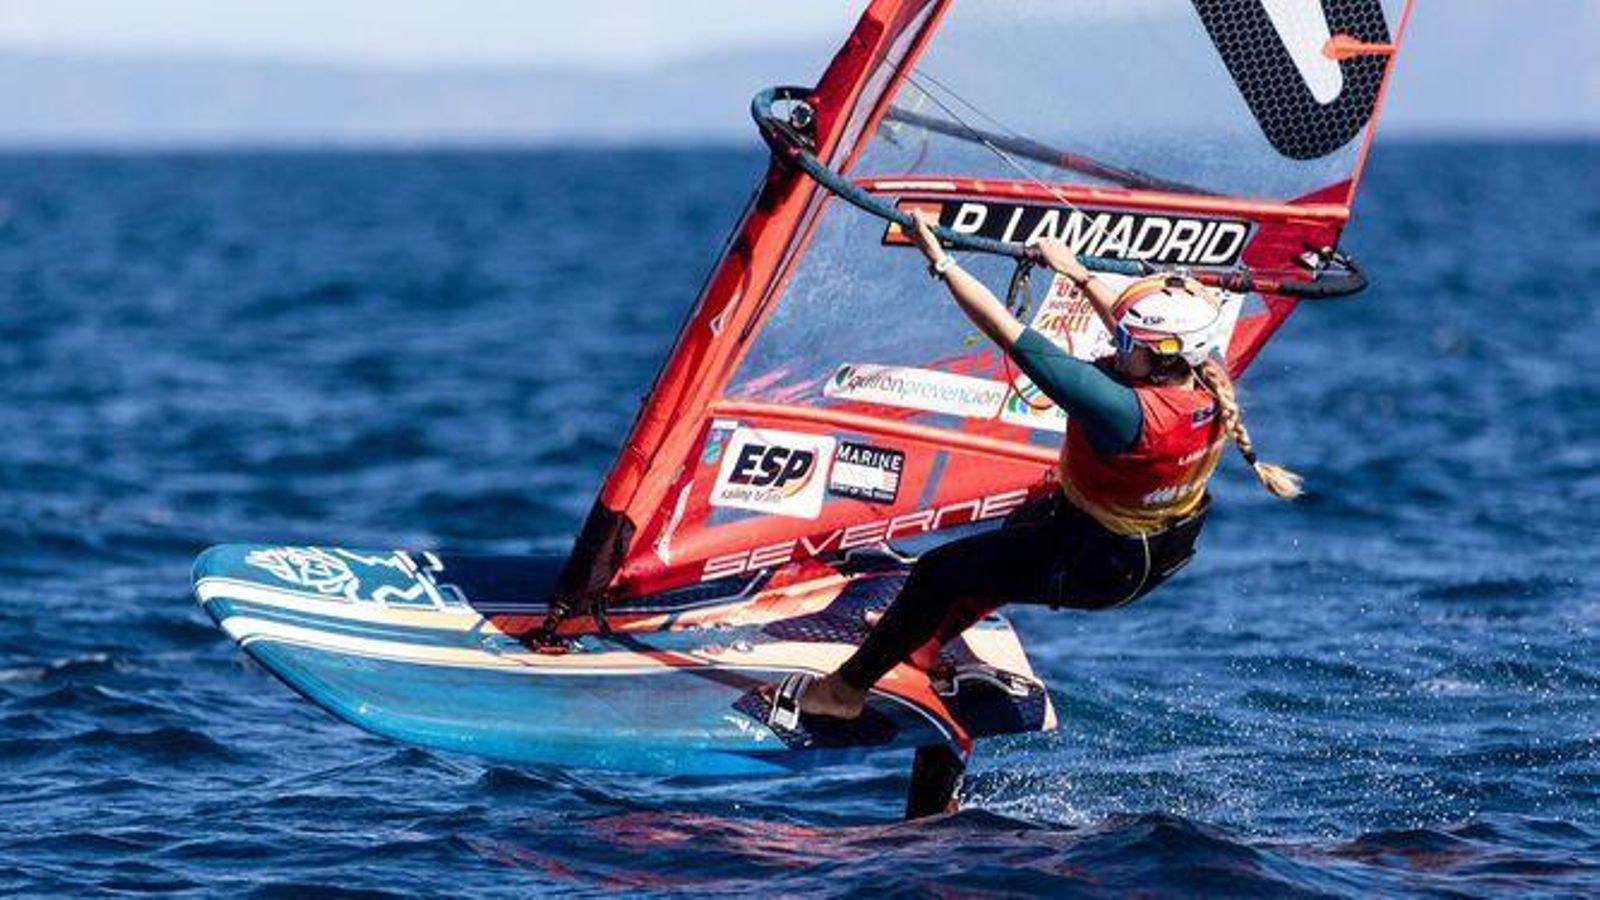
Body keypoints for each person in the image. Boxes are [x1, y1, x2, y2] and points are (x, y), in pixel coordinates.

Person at [773, 212, 1303, 724]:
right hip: (1144, 549)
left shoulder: (1125, 412)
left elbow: (1011, 335)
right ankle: (926, 644)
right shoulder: (1205, 377)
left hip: (1097, 567)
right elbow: (1131, 331)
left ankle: (842, 693)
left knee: (938, 572)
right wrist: (1077, 273)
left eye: (1126, 345)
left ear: (1162, 355)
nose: (1114, 347)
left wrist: (942, 263)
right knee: (1019, 530)